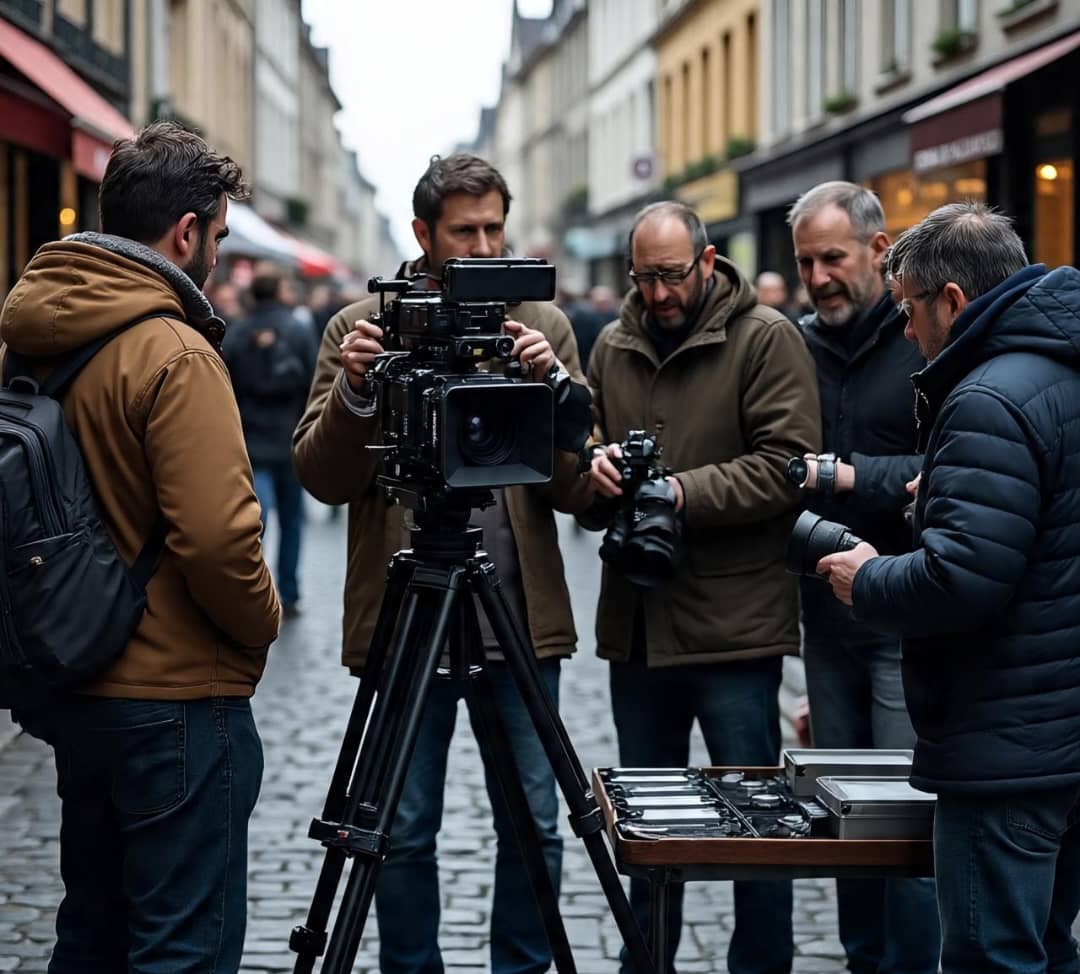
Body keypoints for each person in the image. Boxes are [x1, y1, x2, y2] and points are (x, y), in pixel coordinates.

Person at [292, 152, 592, 974]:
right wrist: (357, 392)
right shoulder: (366, 327)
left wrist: (555, 387)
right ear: (424, 234)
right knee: (401, 824)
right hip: (410, 616)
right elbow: (322, 477)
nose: (488, 246)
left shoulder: (542, 323)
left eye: (497, 227)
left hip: (518, 619)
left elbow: (572, 491)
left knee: (533, 822)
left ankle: (523, 968)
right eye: (467, 232)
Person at [0, 121, 280, 972]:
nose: (221, 257)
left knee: (90, 931)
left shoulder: (35, 331)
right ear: (186, 232)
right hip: (177, 697)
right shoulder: (175, 352)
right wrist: (262, 622)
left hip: (77, 678)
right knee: (180, 949)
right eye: (221, 236)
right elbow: (218, 536)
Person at [818, 202, 1080, 974]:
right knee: (1049, 948)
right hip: (1061, 733)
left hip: (1007, 746)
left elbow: (960, 580)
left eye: (907, 310)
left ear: (953, 302)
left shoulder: (986, 399)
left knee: (991, 956)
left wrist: (868, 578)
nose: (905, 332)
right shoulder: (1058, 370)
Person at [584, 200, 821, 974]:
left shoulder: (766, 339)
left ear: (709, 261)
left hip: (736, 627)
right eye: (643, 277)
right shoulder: (612, 345)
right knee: (650, 829)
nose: (657, 293)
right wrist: (596, 471)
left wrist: (680, 494)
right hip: (640, 624)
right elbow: (583, 464)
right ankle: (644, 963)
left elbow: (788, 465)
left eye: (672, 275)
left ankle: (760, 966)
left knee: (758, 830)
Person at [786, 181, 941, 974]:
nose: (818, 278)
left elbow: (943, 469)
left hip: (903, 622)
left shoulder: (923, 339)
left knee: (906, 827)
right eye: (806, 261)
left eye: (833, 258)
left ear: (881, 252)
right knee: (843, 823)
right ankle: (861, 962)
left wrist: (850, 477)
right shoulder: (795, 345)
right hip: (826, 623)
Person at [223, 265, 318, 617]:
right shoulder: (297, 330)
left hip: (249, 439)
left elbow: (224, 382)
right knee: (292, 519)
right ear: (278, 292)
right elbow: (312, 380)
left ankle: (251, 590)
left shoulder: (238, 331)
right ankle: (290, 592)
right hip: (289, 437)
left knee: (254, 521)